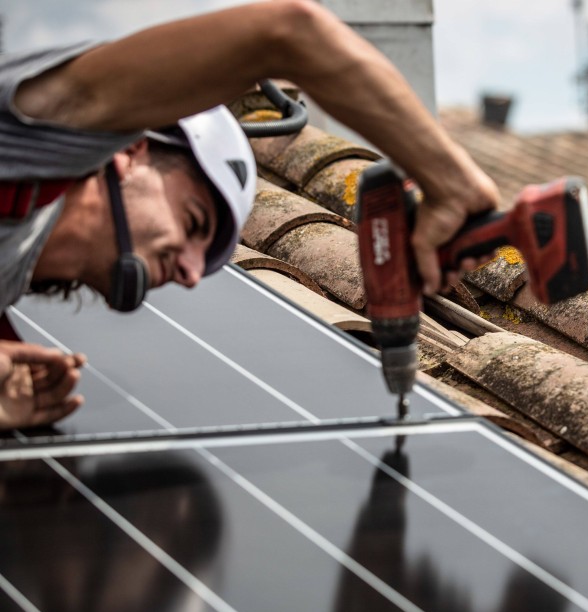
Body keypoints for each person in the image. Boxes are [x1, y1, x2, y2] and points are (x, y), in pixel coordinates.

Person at [0, 0, 500, 431]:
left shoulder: (12, 274)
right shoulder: (32, 140)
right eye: (195, 222)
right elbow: (290, 33)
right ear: (130, 151)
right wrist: (450, 182)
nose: (191, 274)